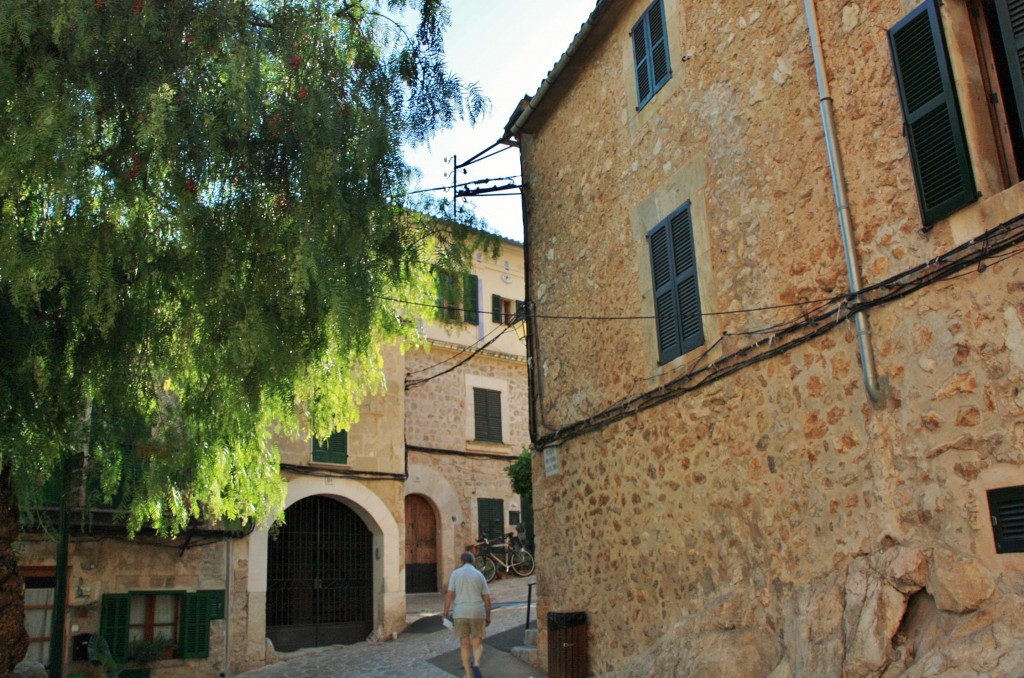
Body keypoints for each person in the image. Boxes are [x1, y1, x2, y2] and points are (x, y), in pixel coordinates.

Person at [444, 551, 491, 678]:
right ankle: (476, 663)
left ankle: (468, 675)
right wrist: (488, 615)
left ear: (461, 561)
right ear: (473, 561)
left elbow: (449, 594)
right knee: (477, 643)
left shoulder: (455, 574)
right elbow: (487, 597)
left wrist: (445, 611)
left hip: (460, 612)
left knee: (464, 645)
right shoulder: (479, 575)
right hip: (477, 612)